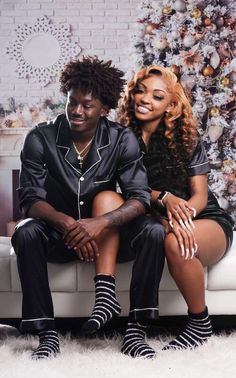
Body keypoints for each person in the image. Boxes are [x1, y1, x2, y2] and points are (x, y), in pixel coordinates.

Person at [11, 56, 165, 360]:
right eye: (72, 102)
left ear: (104, 108)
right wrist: (65, 222)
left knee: (153, 230)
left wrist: (100, 224)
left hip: (108, 238)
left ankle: (136, 331)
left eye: (87, 105)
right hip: (59, 236)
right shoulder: (40, 138)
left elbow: (139, 197)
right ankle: (46, 334)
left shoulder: (122, 139)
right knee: (25, 233)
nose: (76, 111)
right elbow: (30, 198)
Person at [118, 64, 234, 350]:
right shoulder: (118, 138)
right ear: (132, 94)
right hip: (149, 217)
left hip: (203, 217)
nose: (146, 99)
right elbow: (121, 191)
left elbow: (199, 196)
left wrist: (181, 220)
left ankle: (199, 323)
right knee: (162, 235)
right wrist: (163, 198)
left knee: (176, 243)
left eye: (158, 96)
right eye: (141, 91)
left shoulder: (188, 139)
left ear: (171, 105)